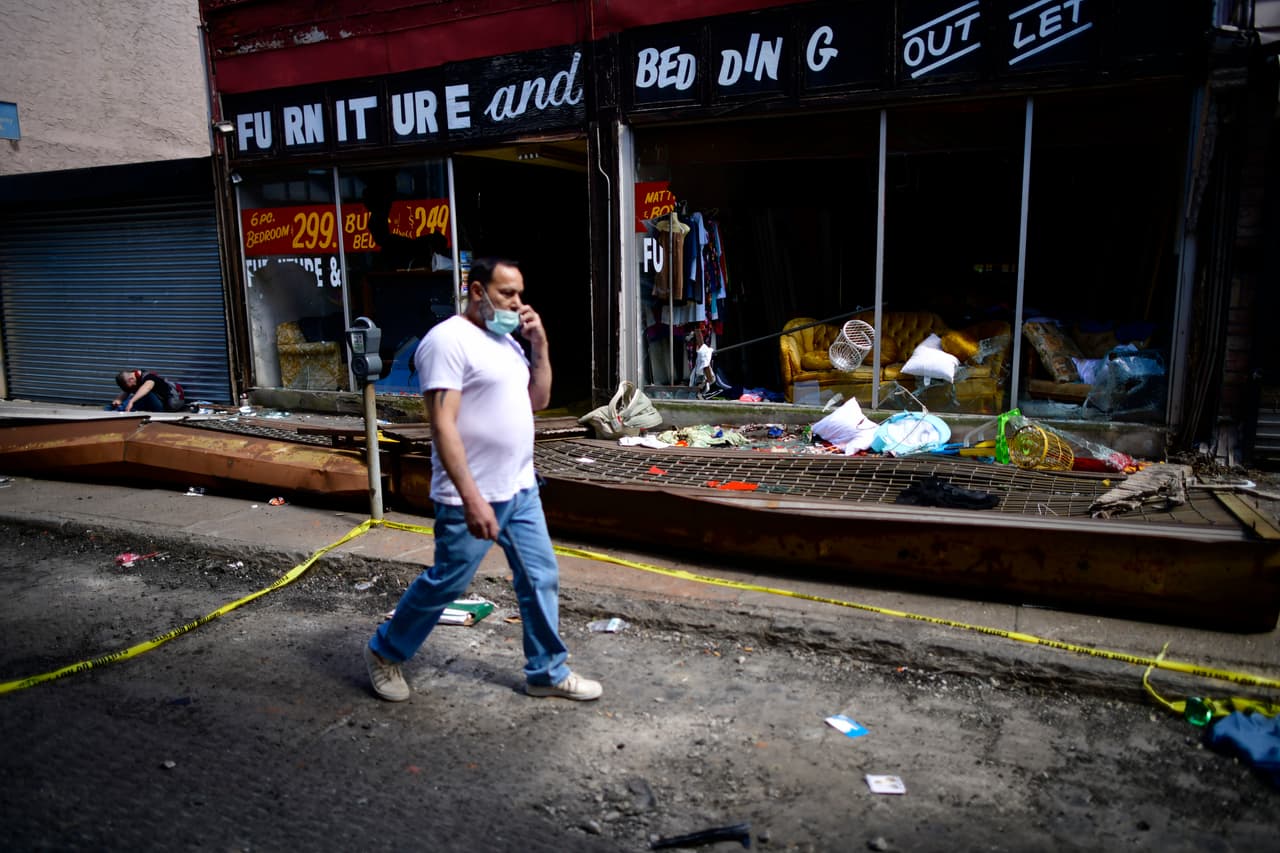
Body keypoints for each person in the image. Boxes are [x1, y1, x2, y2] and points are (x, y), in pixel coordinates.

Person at [363, 257, 602, 703]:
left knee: (540, 577)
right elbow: (442, 426)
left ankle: (546, 672)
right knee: (449, 582)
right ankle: (384, 651)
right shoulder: (447, 342)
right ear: (477, 292)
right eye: (506, 293)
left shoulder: (506, 342)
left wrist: (540, 345)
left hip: (521, 488)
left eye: (520, 293)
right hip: (469, 494)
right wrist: (472, 499)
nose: (517, 303)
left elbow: (538, 400)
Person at [111, 369, 185, 412]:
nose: (128, 388)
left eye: (126, 385)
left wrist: (131, 401)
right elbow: (127, 390)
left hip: (166, 407)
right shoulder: (134, 378)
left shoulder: (149, 377)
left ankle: (118, 410)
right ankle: (110, 410)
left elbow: (147, 387)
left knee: (144, 394)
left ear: (131, 379)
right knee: (115, 404)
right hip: (156, 404)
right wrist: (118, 400)